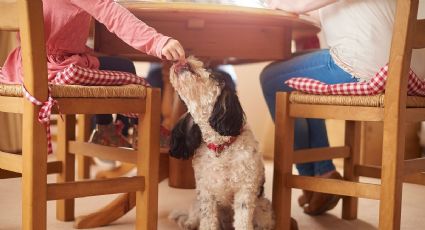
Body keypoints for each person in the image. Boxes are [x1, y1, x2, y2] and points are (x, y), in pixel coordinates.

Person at [261, 0, 425, 216]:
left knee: (271, 78)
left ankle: (312, 180)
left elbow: (303, 6)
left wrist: (289, 5)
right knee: (296, 76)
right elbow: (327, 13)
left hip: (367, 66)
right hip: (410, 69)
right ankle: (320, 175)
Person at [0, 0, 185, 149]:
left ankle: (105, 128)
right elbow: (115, 16)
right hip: (57, 68)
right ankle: (129, 131)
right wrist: (158, 42)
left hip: (23, 67)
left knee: (99, 61)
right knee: (126, 66)